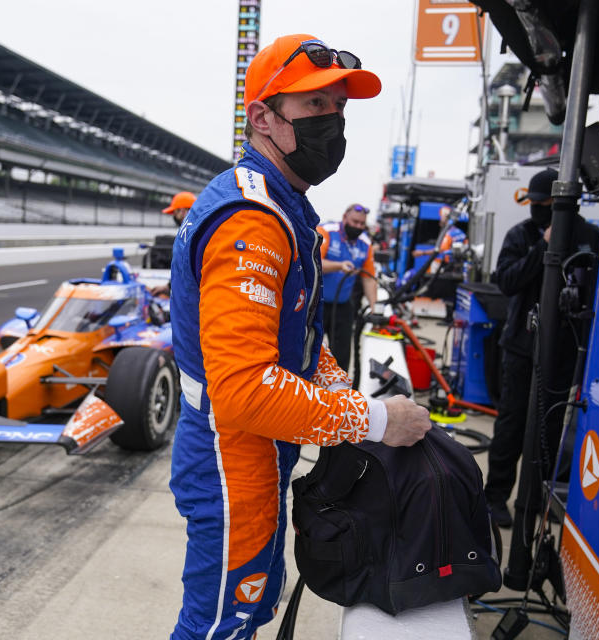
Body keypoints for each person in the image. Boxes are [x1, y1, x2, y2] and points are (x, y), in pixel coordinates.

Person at [168, 34, 432, 640]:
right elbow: (243, 390)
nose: (333, 122)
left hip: (261, 449)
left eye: (338, 108)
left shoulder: (286, 207)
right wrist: (374, 421)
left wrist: (342, 389)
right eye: (315, 107)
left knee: (253, 608)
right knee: (219, 623)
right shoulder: (252, 221)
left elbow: (302, 342)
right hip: (231, 452)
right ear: (263, 117)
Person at [483, 168, 599, 528]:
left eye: (543, 205)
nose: (536, 210)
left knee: (549, 429)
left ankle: (538, 498)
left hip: (565, 349)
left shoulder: (591, 237)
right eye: (534, 205)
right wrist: (543, 247)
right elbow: (506, 280)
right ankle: (495, 498)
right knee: (511, 424)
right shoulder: (521, 235)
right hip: (522, 346)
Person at [318, 203, 377, 372]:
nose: (358, 226)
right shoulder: (327, 231)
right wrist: (338, 265)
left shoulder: (365, 243)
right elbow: (313, 262)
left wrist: (375, 309)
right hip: (316, 304)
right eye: (355, 222)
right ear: (344, 218)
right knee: (310, 349)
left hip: (343, 305)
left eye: (361, 224)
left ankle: (341, 392)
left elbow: (369, 279)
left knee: (342, 355)